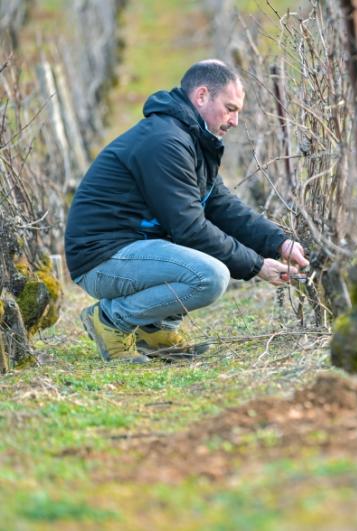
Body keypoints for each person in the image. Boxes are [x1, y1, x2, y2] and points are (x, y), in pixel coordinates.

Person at [64, 59, 309, 363]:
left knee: (204, 253)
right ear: (202, 96)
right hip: (101, 259)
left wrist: (278, 243)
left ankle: (155, 331)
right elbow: (190, 228)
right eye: (230, 109)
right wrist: (257, 265)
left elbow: (220, 204)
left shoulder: (190, 137)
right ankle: (111, 320)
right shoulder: (166, 142)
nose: (234, 121)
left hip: (133, 249)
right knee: (210, 275)